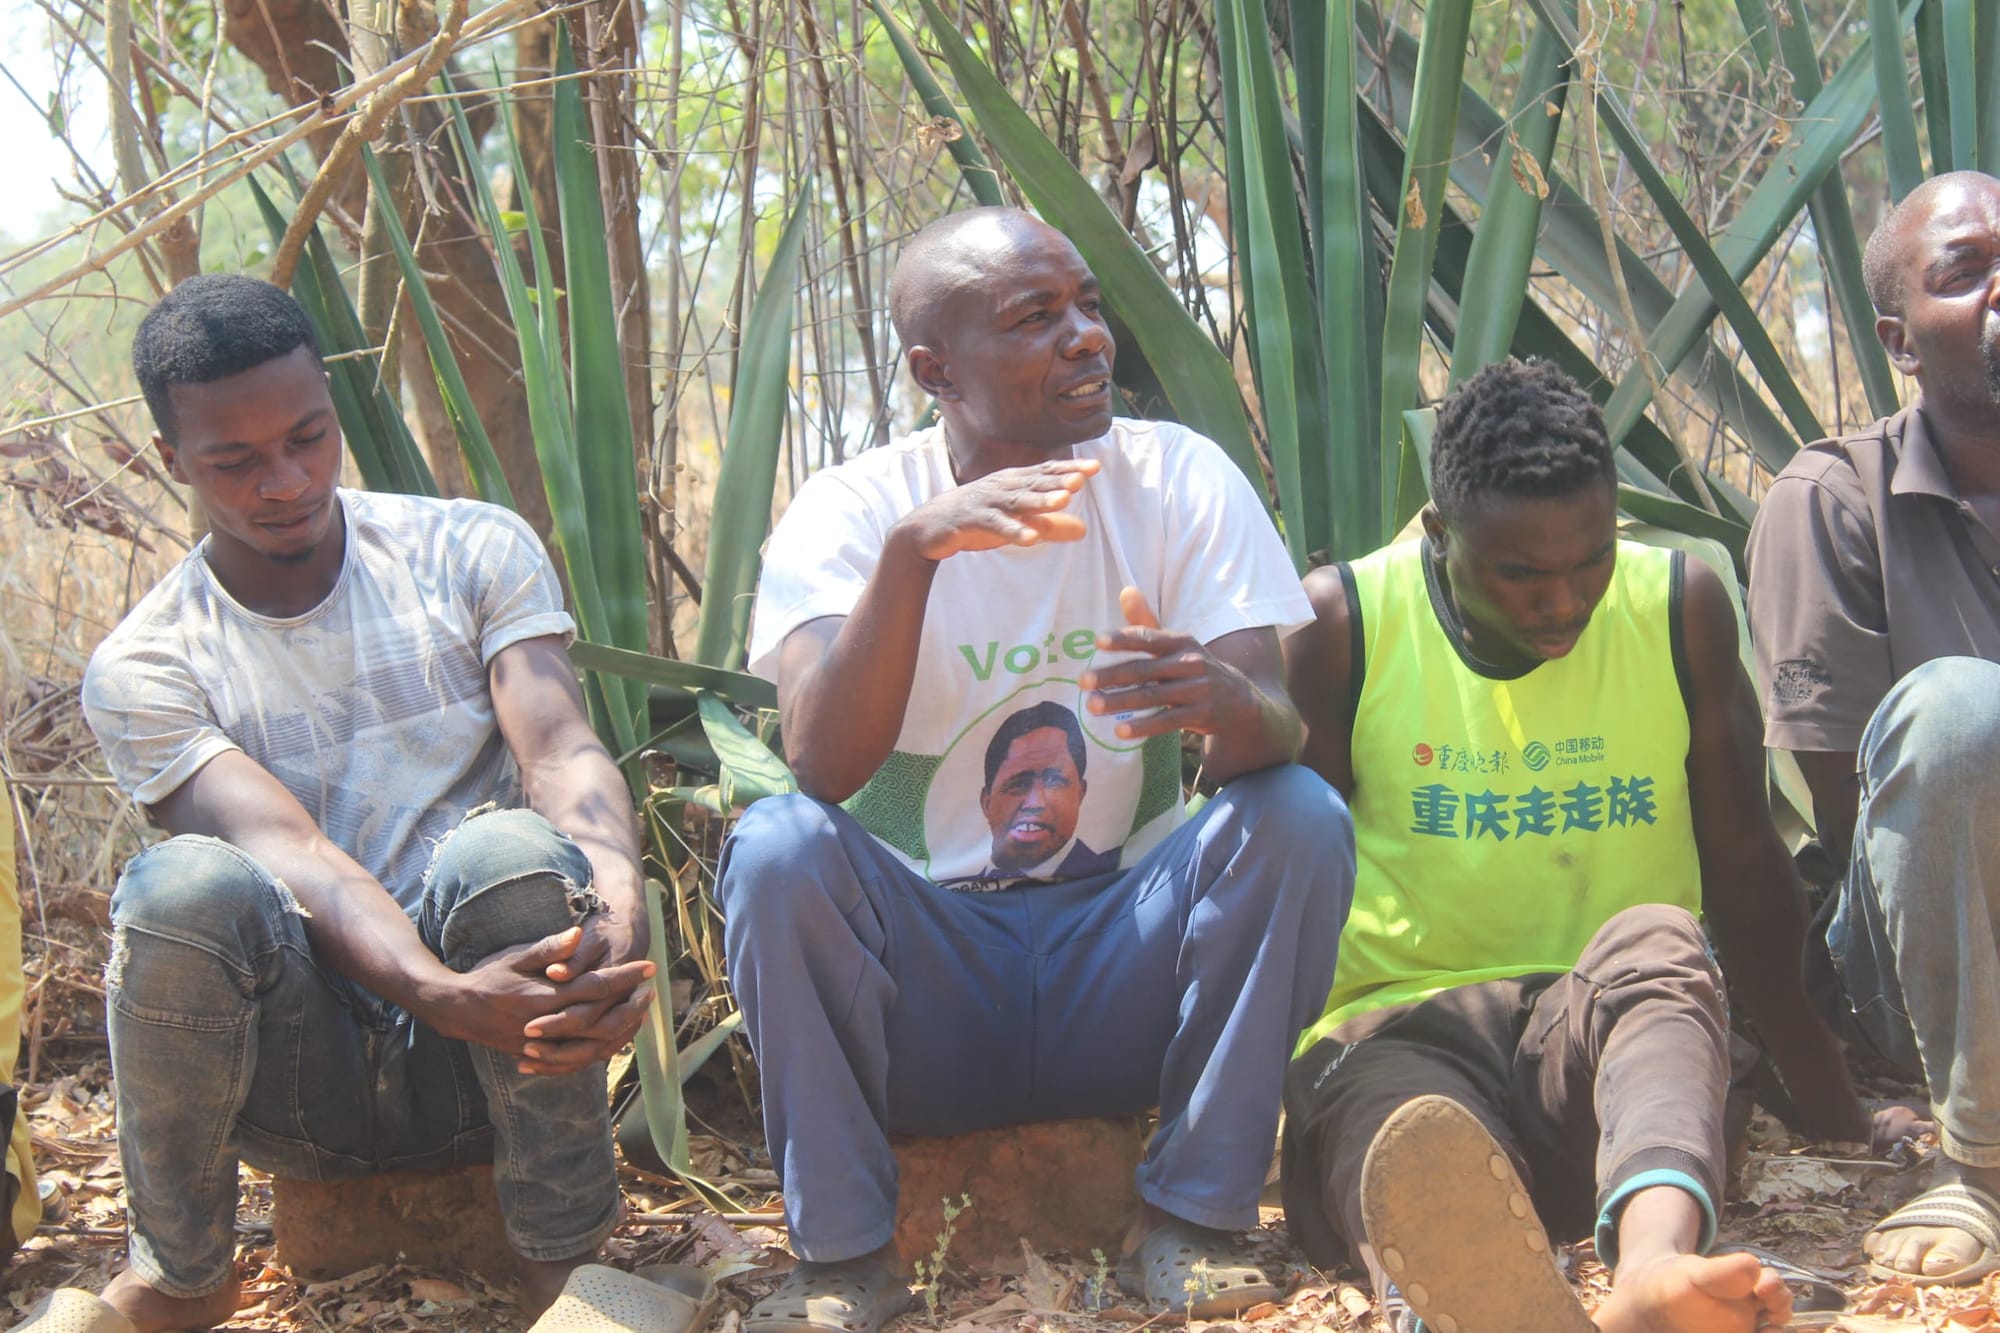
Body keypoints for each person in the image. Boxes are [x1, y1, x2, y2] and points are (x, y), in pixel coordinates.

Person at [714, 207, 1355, 1333]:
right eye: (1033, 318)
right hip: (931, 981)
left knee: (1295, 814)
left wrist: (1221, 704)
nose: (1085, 339)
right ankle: (846, 1259)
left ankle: (1197, 1220)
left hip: (1122, 958)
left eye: (1087, 306)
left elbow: (1273, 728)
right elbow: (817, 763)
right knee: (774, 848)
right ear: (933, 369)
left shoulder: (1173, 479)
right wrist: (916, 556)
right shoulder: (854, 512)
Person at [63, 275, 660, 1333]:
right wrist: (432, 987)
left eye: (307, 437)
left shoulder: (467, 549)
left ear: (334, 412)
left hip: (504, 1040)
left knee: (519, 852)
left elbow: (560, 747)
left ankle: (568, 1262)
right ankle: (181, 1273)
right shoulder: (147, 662)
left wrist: (616, 898)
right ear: (172, 461)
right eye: (234, 461)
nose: (285, 480)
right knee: (178, 885)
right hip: (305, 1074)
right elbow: (286, 848)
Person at [1281, 359, 1894, 1332]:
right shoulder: (1339, 625)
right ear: (1440, 536)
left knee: (1658, 939)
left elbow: (1742, 868)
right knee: (1399, 1120)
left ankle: (1649, 1269)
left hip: (1605, 1048)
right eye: (1519, 575)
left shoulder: (1675, 606)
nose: (1562, 603)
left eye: (1589, 562)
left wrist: (1832, 1103)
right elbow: (1275, 886)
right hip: (1400, 1022)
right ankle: (1455, 1291)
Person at [1748, 168, 2000, 1288]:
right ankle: (1978, 1155)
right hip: (1927, 943)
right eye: (1968, 272)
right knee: (1954, 711)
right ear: (1900, 340)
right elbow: (1858, 813)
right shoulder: (1831, 500)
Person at [976, 702, 1116, 879]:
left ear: (1080, 793)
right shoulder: (947, 892)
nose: (1036, 803)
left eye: (1054, 781)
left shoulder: (1117, 878)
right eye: (1018, 784)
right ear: (986, 802)